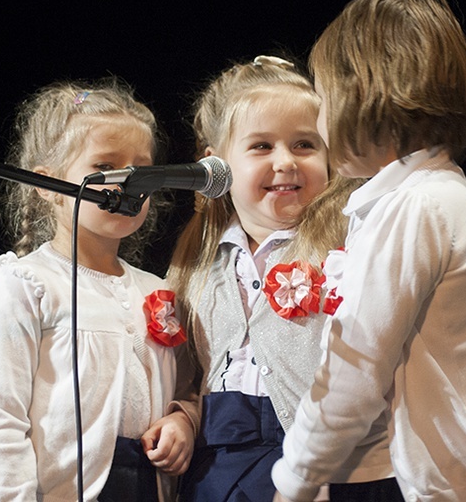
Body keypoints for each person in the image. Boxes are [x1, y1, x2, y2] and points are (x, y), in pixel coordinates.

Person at [271, 0, 466, 502]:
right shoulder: (430, 195)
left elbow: (356, 365)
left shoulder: (416, 206)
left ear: (365, 93)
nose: (320, 125)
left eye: (322, 101)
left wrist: (297, 477)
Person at [141, 55, 362, 501]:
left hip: (312, 463)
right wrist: (184, 417)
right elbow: (192, 378)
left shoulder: (347, 251)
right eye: (261, 146)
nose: (285, 161)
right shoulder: (196, 266)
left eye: (304, 144)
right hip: (216, 470)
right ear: (215, 166)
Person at [0, 78, 191, 501]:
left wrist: (184, 420)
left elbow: (186, 388)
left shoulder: (158, 290)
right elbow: (0, 417)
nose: (129, 185)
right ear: (46, 185)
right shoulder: (24, 286)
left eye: (141, 170)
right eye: (106, 166)